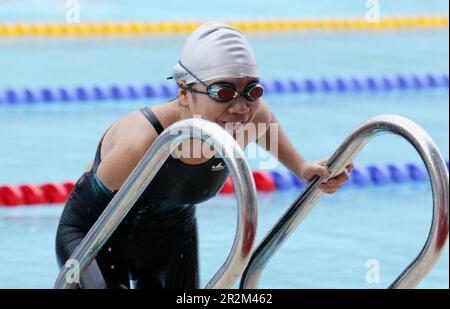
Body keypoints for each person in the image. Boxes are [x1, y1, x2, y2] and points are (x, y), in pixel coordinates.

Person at [55, 22, 353, 289]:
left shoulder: (252, 118)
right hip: (98, 240)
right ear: (184, 92)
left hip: (172, 242)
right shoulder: (142, 143)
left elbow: (290, 155)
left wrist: (308, 170)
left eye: (252, 90)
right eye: (223, 93)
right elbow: (86, 216)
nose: (241, 107)